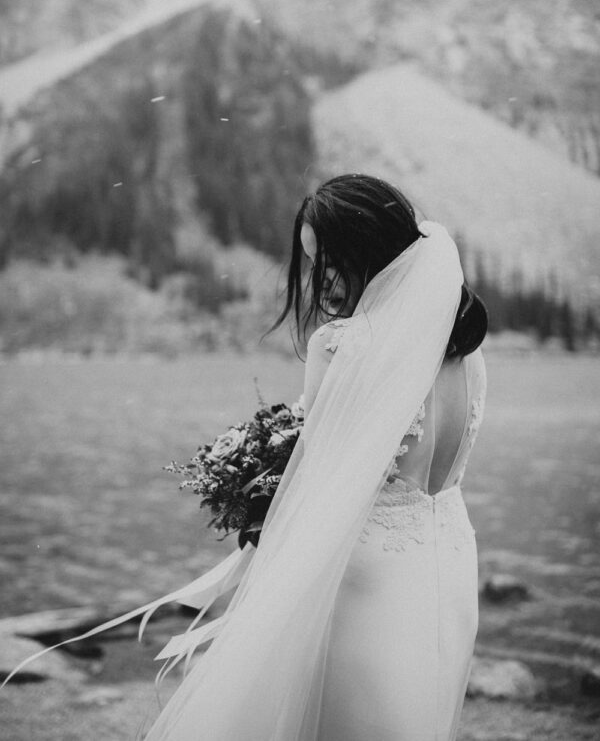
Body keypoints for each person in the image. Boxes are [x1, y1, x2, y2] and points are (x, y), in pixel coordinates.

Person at [4, 174, 488, 741]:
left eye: (327, 260)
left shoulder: (343, 346)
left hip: (365, 575)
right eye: (311, 263)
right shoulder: (465, 354)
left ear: (366, 251)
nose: (319, 279)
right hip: (450, 557)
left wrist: (262, 509)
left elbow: (317, 481)